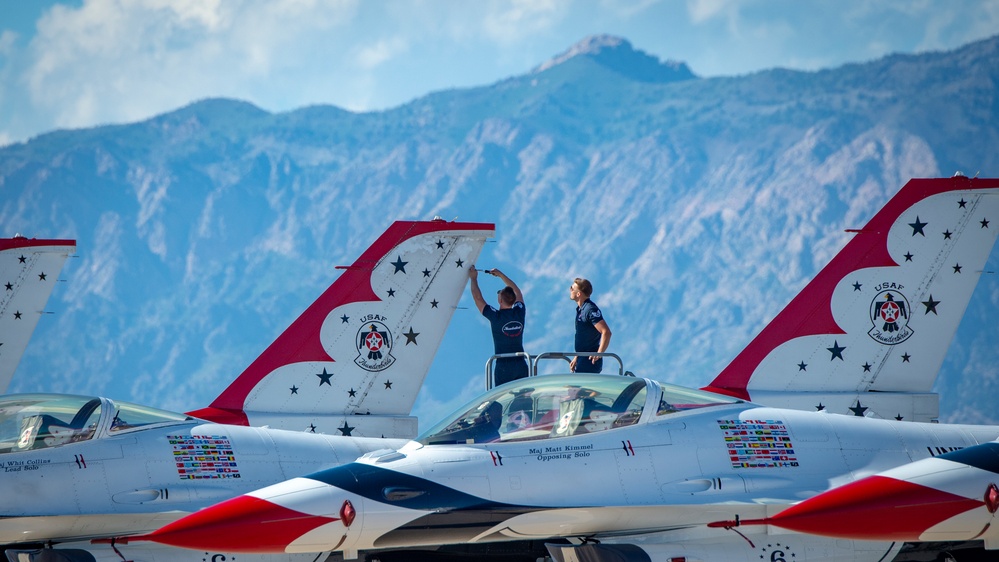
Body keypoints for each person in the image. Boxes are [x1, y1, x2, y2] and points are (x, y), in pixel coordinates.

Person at [469, 267, 529, 386]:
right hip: (521, 363)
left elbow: (478, 299)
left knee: (502, 399)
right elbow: (517, 291)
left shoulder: (496, 316)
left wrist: (473, 279)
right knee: (524, 399)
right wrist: (501, 275)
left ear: (500, 300)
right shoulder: (519, 312)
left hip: (504, 365)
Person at [569, 277, 612, 373]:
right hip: (582, 359)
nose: (570, 290)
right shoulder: (580, 309)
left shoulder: (590, 309)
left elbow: (606, 332)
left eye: (572, 288)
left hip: (589, 361)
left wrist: (599, 354)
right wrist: (577, 356)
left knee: (579, 388)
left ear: (578, 294)